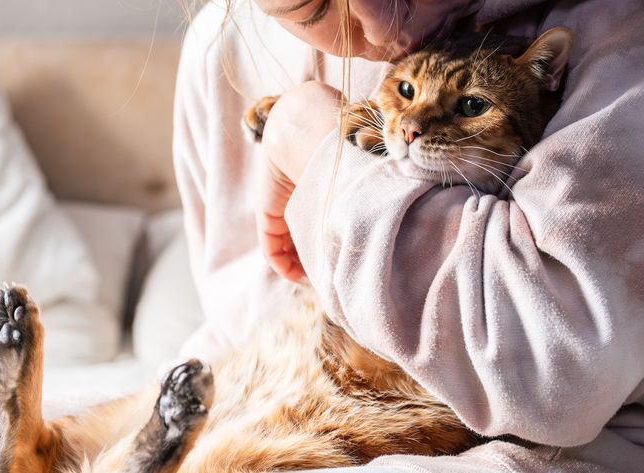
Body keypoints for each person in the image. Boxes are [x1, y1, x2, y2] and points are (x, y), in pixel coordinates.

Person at [172, 0, 644, 471]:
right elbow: (231, 322)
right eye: (312, 8)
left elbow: (554, 374)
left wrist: (313, 139)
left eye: (471, 106)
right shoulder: (218, 49)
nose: (383, 30)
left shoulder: (619, 36)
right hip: (248, 393)